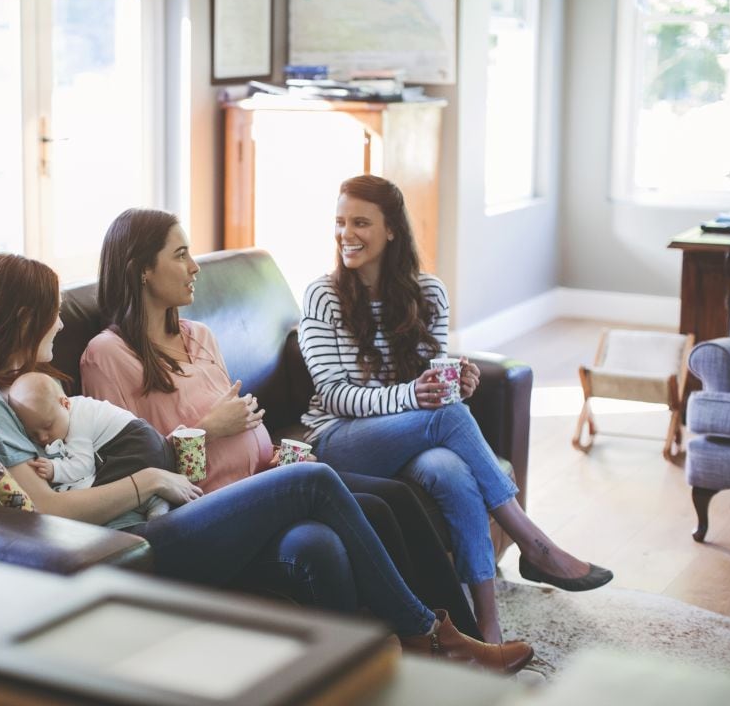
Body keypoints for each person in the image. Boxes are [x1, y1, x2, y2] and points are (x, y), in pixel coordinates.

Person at [77, 209, 531, 672]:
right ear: (142, 271)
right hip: (203, 506)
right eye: (180, 255)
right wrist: (210, 428)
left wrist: (272, 454)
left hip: (259, 478)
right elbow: (133, 469)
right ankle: (422, 638)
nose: (195, 266)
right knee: (317, 511)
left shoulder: (199, 336)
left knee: (389, 499)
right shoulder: (107, 356)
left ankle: (464, 644)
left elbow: (242, 422)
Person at [298, 174, 613, 644]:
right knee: (444, 419)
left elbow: (432, 387)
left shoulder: (429, 294)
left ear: (391, 231)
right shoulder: (323, 296)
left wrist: (456, 385)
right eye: (341, 221)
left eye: (361, 222)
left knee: (453, 473)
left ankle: (484, 627)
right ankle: (531, 540)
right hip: (338, 438)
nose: (347, 233)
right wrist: (416, 398)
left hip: (406, 435)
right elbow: (335, 394)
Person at [5, 371, 174, 520]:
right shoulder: (66, 412)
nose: (42, 437)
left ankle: (153, 500)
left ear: (65, 404)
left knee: (98, 487)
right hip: (150, 443)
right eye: (33, 433)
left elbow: (83, 466)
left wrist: (55, 469)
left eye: (48, 426)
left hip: (137, 446)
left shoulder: (78, 421)